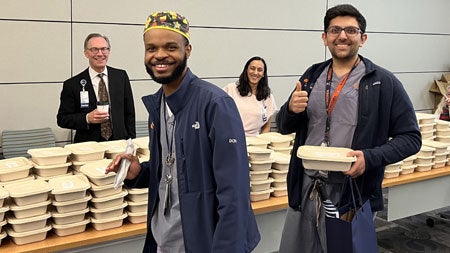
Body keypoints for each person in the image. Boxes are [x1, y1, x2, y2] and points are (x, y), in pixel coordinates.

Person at [106, 11, 260, 252]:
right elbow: (174, 171)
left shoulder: (215, 104)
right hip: (162, 238)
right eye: (151, 48)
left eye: (170, 47)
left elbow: (234, 194)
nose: (159, 56)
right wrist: (139, 172)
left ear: (187, 50)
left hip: (199, 240)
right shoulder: (157, 105)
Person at [276, 4, 421, 252]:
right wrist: (290, 110)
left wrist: (370, 158)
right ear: (325, 38)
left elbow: (411, 138)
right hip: (306, 186)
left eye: (351, 30)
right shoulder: (312, 76)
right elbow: (283, 126)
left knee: (343, 248)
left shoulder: (382, 82)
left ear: (362, 39)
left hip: (350, 192)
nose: (342, 36)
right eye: (335, 30)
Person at [57, 33, 136, 143]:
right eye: (95, 49)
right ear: (86, 53)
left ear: (108, 52)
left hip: (119, 143)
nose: (100, 54)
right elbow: (62, 119)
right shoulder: (72, 84)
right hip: (88, 147)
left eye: (104, 49)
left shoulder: (121, 77)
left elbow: (129, 113)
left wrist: (130, 142)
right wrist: (87, 118)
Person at [223, 56, 277, 136]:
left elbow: (267, 124)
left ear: (263, 74)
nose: (255, 73)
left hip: (255, 142)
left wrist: (261, 142)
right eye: (252, 68)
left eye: (260, 70)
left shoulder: (267, 96)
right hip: (232, 138)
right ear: (246, 70)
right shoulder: (231, 89)